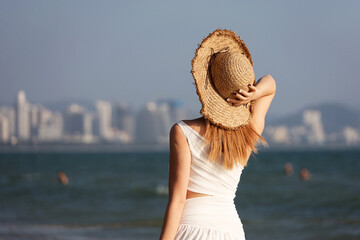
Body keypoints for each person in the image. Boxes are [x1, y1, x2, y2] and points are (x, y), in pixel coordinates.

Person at [159, 29, 276, 240]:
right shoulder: (249, 132)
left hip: (191, 228)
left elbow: (177, 200)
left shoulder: (182, 132)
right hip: (231, 230)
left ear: (209, 86)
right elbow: (271, 83)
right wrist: (255, 93)